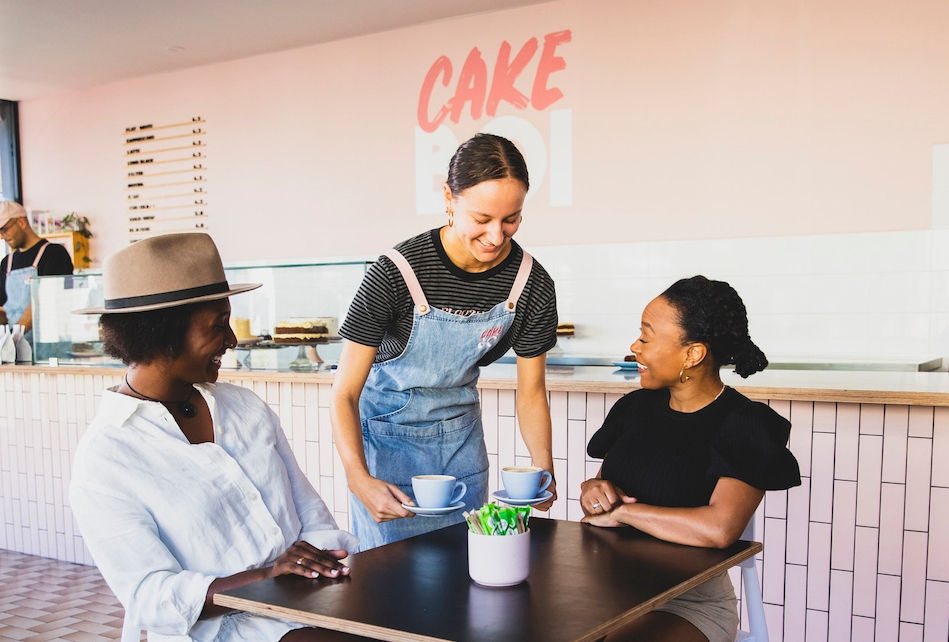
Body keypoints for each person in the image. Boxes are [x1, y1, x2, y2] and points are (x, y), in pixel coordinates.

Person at [70, 233, 361, 642]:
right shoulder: (106, 459)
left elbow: (311, 515)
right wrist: (266, 577)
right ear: (162, 335)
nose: (232, 340)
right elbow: (149, 596)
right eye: (218, 325)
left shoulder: (245, 408)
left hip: (307, 610)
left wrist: (317, 565)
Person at [332, 133, 559, 550]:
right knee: (389, 582)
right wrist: (358, 478)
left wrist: (542, 468)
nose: (496, 235)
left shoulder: (532, 284)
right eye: (482, 218)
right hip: (387, 446)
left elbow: (530, 392)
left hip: (461, 444)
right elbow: (344, 393)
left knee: (463, 569)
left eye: (511, 218)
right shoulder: (394, 273)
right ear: (449, 199)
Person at [580, 275, 801, 642]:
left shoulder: (745, 424)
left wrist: (623, 513)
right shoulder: (634, 409)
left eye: (646, 337)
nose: (635, 346)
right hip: (604, 589)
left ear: (692, 353)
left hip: (686, 605)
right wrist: (594, 490)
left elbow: (719, 529)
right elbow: (601, 499)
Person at [0, 200, 73, 341]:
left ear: (21, 222)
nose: (2, 237)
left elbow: (43, 303)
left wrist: (12, 338)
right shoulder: (6, 262)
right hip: (15, 347)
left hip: (47, 347)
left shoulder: (54, 254)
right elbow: (2, 308)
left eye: (4, 230)